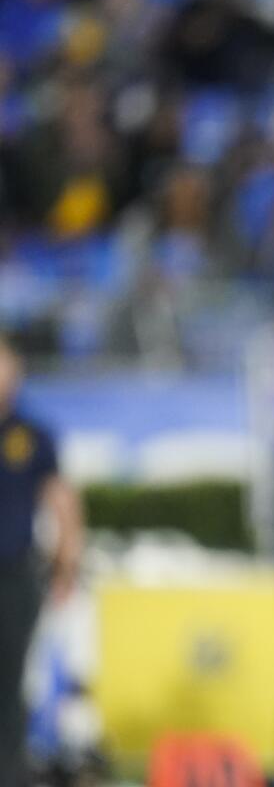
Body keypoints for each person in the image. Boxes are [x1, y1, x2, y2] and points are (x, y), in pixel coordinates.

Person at [0, 334, 84, 786]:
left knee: (10, 681)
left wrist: (67, 560)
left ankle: (7, 772)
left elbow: (61, 499)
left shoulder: (31, 436)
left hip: (13, 575)